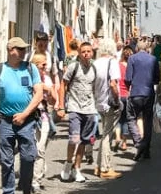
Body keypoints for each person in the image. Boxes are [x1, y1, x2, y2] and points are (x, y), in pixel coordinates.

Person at [0, 37, 43, 194]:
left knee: (28, 157)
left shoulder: (31, 68)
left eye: (24, 49)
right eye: (20, 49)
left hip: (26, 121)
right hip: (6, 122)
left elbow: (38, 93)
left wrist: (25, 114)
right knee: (6, 162)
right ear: (10, 50)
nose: (24, 52)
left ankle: (26, 189)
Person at [57, 40, 97, 183]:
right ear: (79, 53)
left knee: (84, 141)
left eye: (89, 51)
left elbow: (94, 88)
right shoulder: (74, 67)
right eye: (83, 51)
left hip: (90, 109)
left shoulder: (94, 68)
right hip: (74, 108)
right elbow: (63, 85)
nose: (86, 54)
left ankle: (77, 168)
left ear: (92, 53)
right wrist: (61, 106)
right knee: (74, 138)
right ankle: (68, 163)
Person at [125, 37, 161, 160]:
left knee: (131, 118)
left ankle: (139, 142)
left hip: (135, 92)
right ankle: (146, 148)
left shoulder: (132, 59)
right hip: (148, 92)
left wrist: (130, 86)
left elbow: (128, 78)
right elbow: (157, 78)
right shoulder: (153, 59)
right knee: (148, 120)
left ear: (137, 47)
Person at [92, 39, 122, 179]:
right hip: (110, 103)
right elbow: (113, 84)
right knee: (107, 135)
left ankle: (98, 166)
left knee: (105, 132)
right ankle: (105, 168)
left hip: (99, 102)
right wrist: (117, 101)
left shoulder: (95, 63)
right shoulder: (112, 62)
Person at [30, 52, 57, 194]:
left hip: (43, 116)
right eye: (43, 65)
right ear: (35, 66)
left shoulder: (47, 79)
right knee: (31, 150)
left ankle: (36, 181)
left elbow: (54, 100)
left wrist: (50, 91)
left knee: (40, 149)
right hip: (30, 117)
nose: (46, 68)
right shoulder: (28, 78)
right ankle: (31, 176)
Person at [113, 44, 132, 152]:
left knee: (118, 119)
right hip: (128, 95)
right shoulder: (131, 66)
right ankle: (124, 143)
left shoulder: (117, 65)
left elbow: (114, 80)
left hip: (119, 95)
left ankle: (117, 137)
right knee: (126, 119)